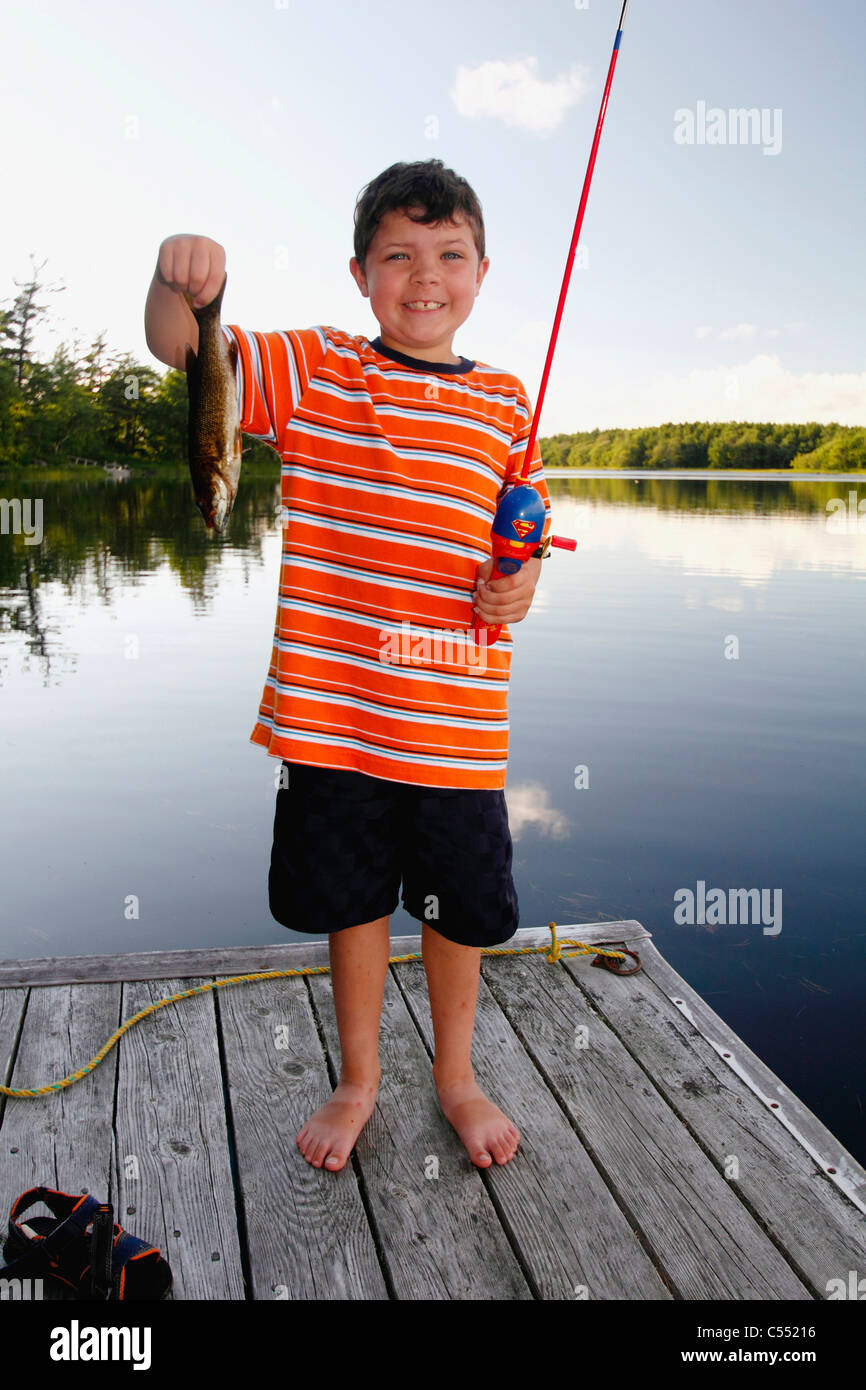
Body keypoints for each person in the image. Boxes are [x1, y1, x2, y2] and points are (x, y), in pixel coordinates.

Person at [144, 158, 552, 1172]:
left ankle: (455, 1076)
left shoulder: (506, 401)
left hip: (455, 727)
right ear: (361, 275)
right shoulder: (319, 369)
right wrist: (177, 284)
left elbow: (523, 530)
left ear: (481, 270)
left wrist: (520, 581)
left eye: (447, 254)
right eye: (397, 256)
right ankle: (359, 1076)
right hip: (332, 722)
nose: (425, 275)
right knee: (351, 903)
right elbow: (184, 353)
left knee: (459, 913)